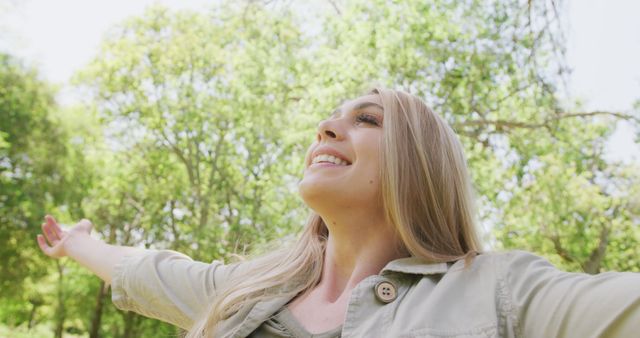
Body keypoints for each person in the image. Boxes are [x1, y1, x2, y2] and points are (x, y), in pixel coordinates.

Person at [38, 88, 639, 338]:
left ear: (420, 165)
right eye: (331, 117)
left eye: (367, 120)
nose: (327, 126)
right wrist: (75, 241)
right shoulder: (246, 291)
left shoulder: (501, 292)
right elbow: (144, 272)